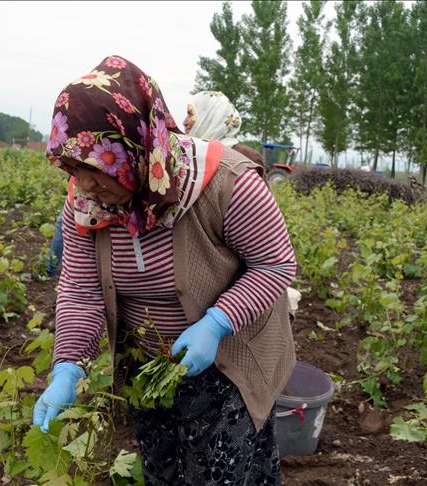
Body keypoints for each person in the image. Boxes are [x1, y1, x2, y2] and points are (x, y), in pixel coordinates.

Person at [32, 55, 297, 485]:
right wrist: (69, 364)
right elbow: (81, 290)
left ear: (134, 148)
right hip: (148, 367)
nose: (84, 185)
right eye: (73, 169)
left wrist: (217, 322)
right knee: (164, 471)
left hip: (228, 358)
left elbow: (274, 264)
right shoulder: (86, 204)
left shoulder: (226, 182)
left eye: (96, 170)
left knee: (220, 473)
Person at [184, 90, 302, 317]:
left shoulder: (240, 157)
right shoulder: (195, 154)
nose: (185, 121)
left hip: (237, 257)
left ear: (212, 116)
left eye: (191, 114)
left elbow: (256, 224)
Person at [183, 90, 266, 171]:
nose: (184, 122)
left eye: (191, 114)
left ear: (210, 118)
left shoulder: (248, 157)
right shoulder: (188, 154)